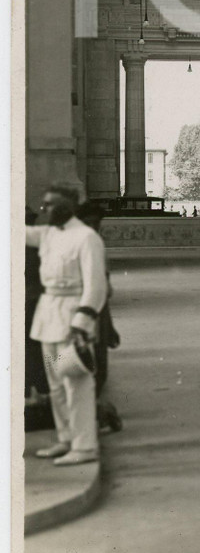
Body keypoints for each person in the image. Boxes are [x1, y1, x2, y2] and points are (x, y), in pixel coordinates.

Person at [26, 185, 107, 465]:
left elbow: (96, 286)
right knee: (56, 386)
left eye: (49, 205)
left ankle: (84, 446)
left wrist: (82, 323)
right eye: (44, 204)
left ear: (67, 207)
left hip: (71, 319)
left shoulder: (86, 237)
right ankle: (66, 439)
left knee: (75, 383)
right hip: (48, 316)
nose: (43, 209)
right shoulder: (48, 234)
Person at [77, 200, 123, 435]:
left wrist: (109, 326)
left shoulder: (95, 246)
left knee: (98, 371)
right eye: (90, 223)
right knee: (72, 372)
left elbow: (103, 291)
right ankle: (96, 415)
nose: (94, 228)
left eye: (97, 224)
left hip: (95, 320)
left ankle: (95, 414)